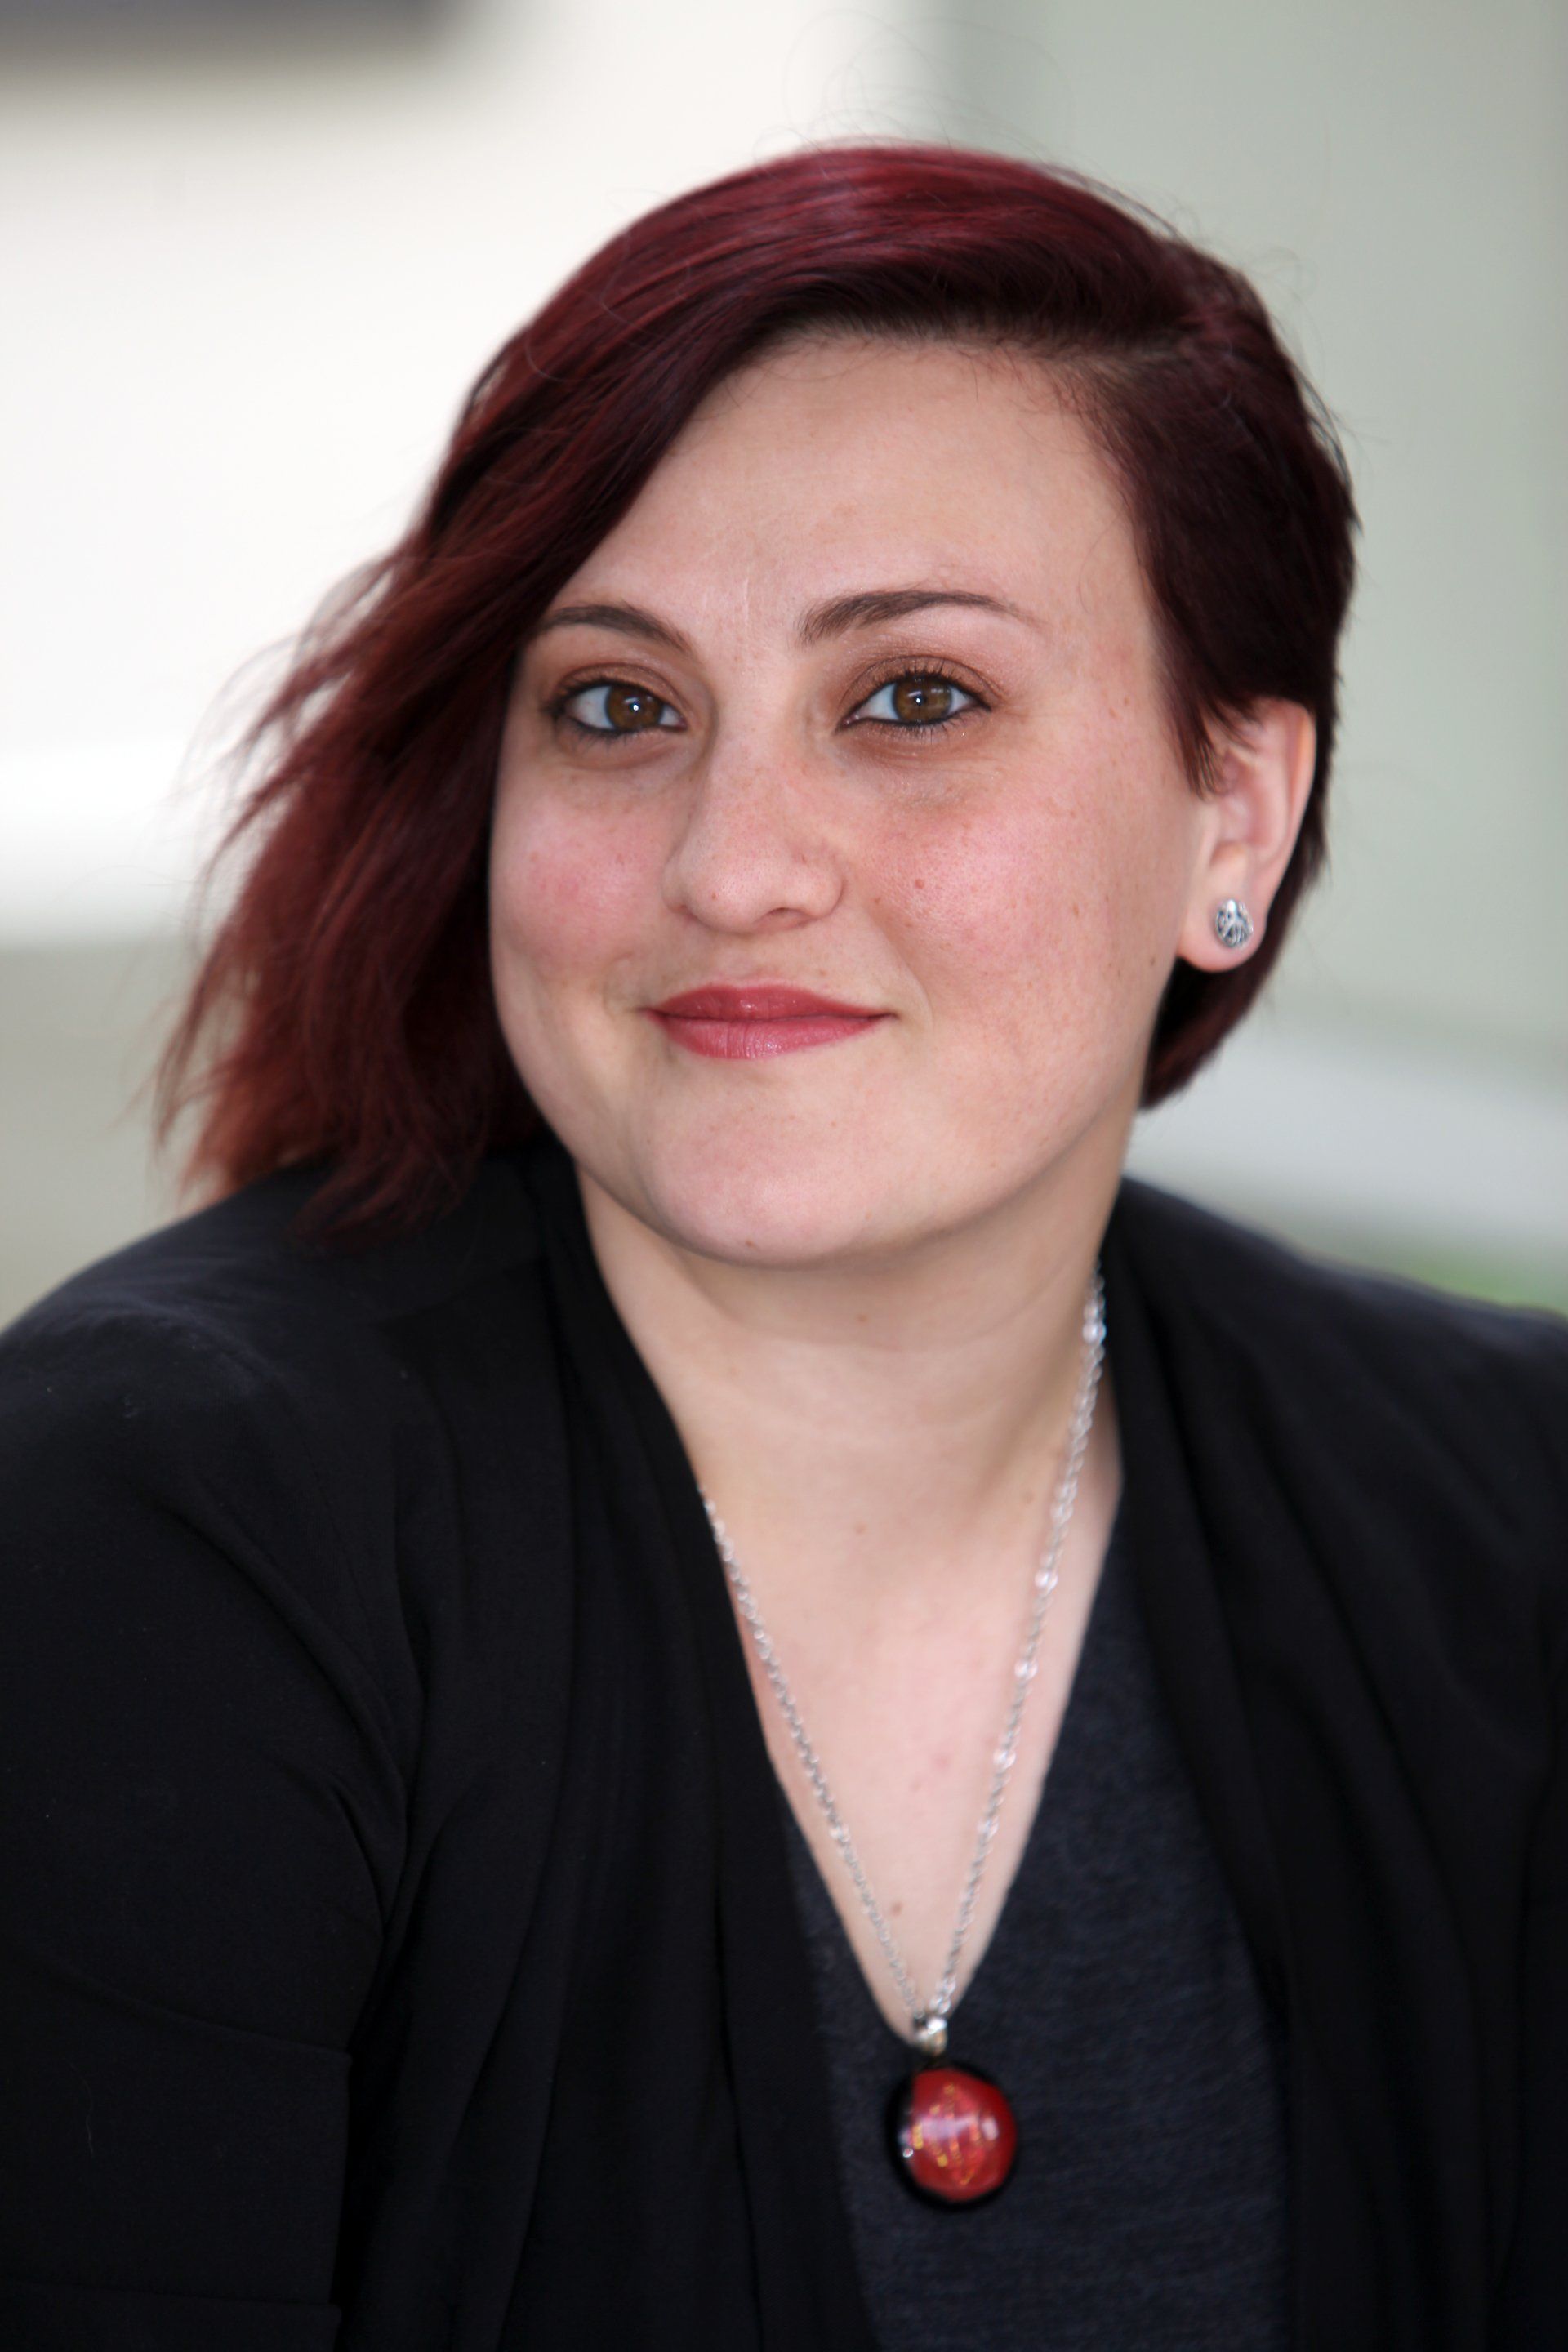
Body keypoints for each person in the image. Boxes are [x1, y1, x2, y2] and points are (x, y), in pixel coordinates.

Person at [1, 141, 1563, 2352]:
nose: (734, 865)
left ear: (1236, 812)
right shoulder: (167, 1526)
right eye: (619, 707)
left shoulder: (1509, 1518)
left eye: (914, 699)